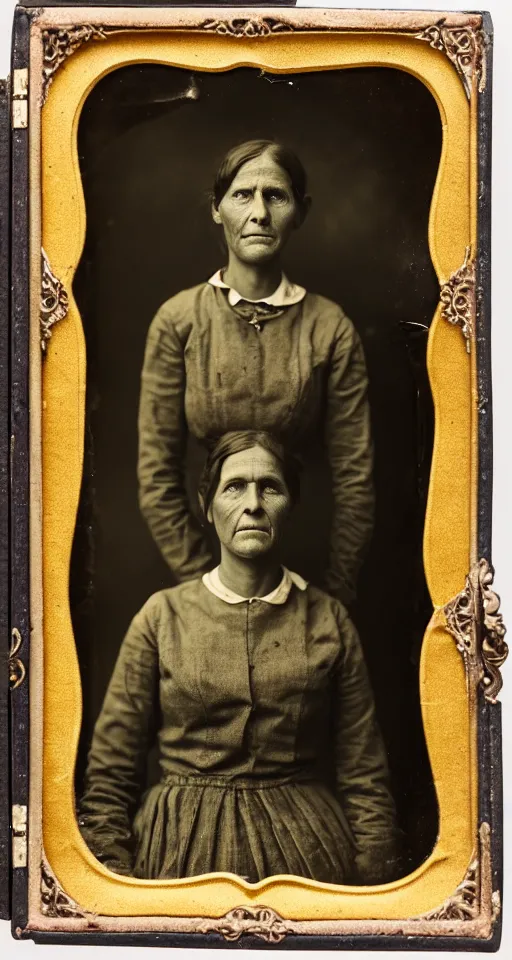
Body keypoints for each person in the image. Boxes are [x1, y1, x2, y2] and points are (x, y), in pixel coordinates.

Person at [79, 431, 399, 884]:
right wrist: (113, 877)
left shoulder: (328, 620)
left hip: (305, 849)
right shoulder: (161, 617)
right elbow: (110, 773)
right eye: (234, 487)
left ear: (290, 504)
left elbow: (365, 773)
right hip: (178, 847)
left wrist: (374, 885)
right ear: (208, 507)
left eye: (270, 486)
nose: (253, 503)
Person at [138, 139, 373, 607]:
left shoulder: (330, 327)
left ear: (300, 211)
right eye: (243, 194)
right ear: (216, 208)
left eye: (276, 195)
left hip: (306, 571)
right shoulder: (179, 320)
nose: (260, 213)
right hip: (209, 571)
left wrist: (335, 593)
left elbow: (356, 480)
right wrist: (202, 585)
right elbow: (156, 477)